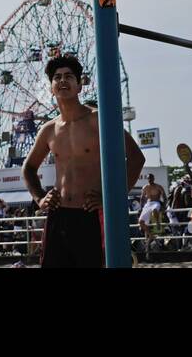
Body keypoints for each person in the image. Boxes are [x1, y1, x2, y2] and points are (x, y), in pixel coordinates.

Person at [22, 54, 146, 267]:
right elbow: (29, 168)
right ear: (51, 87)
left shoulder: (98, 119)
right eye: (57, 77)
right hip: (57, 215)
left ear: (80, 86)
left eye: (69, 76)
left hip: (90, 214)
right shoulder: (49, 130)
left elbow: (136, 158)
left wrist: (112, 199)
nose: (62, 80)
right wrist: (40, 199)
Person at [137, 174, 166, 245]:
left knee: (155, 210)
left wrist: (164, 206)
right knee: (140, 222)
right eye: (148, 178)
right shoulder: (145, 187)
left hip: (156, 202)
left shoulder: (158, 187)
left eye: (151, 178)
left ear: (153, 178)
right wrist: (141, 207)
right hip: (148, 204)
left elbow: (164, 197)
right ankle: (151, 235)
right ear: (147, 179)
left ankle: (157, 223)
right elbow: (142, 198)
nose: (150, 180)